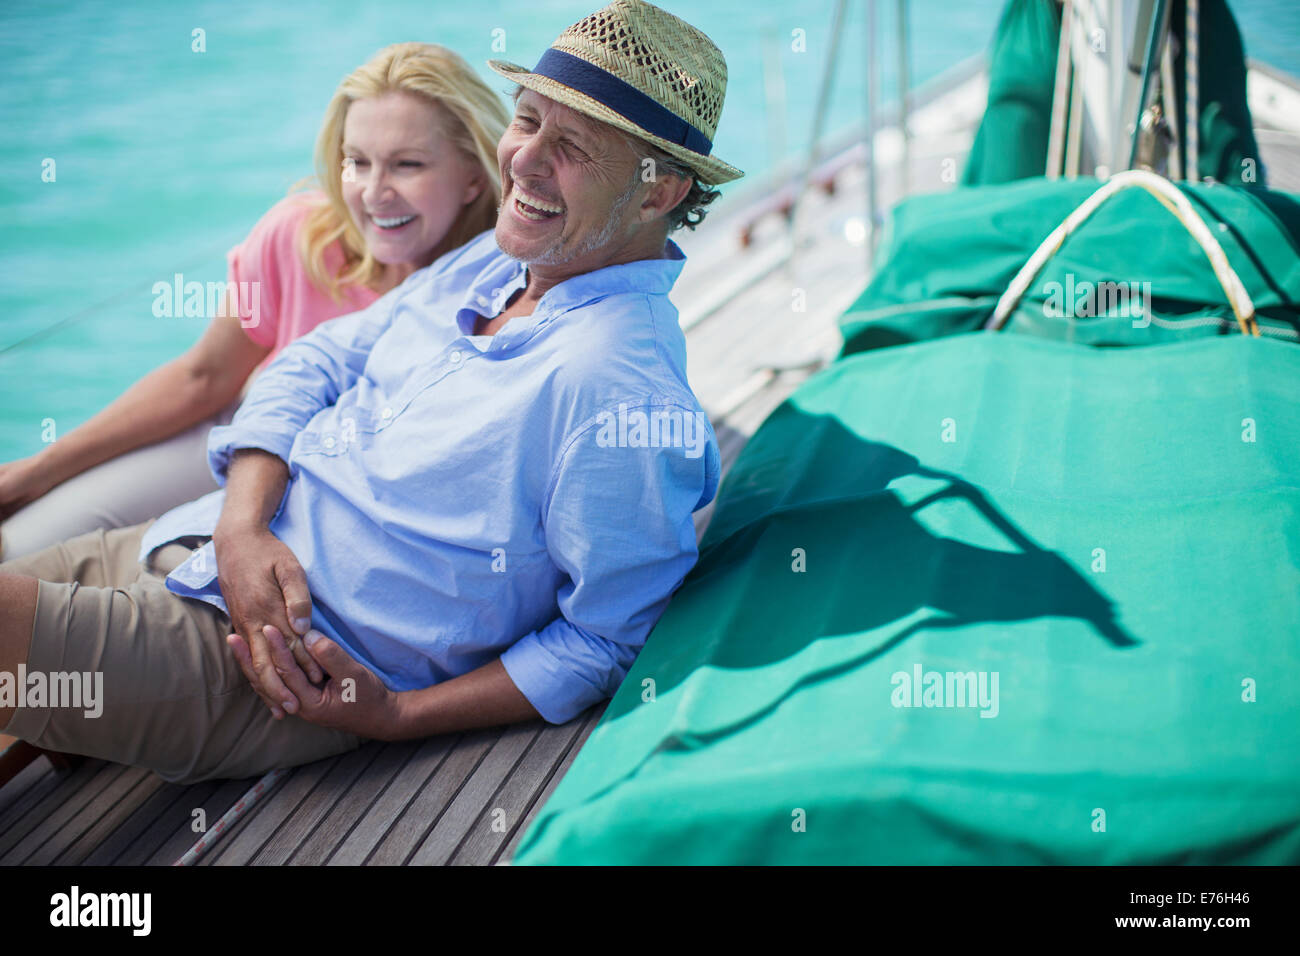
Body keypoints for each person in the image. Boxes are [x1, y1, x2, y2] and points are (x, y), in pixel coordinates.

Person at [0, 0, 743, 785]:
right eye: (527, 120)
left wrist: (396, 717)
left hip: (259, 663)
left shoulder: (618, 388)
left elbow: (605, 640)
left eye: (572, 147)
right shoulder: (497, 262)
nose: (524, 160)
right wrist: (242, 524)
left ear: (660, 193)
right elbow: (312, 359)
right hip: (195, 543)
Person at [0, 42, 509, 561]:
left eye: (407, 165)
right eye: (357, 162)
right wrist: (36, 471)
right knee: (19, 547)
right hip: (239, 444)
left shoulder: (509, 285)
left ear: (473, 175)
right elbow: (203, 378)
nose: (375, 193)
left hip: (344, 511)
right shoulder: (296, 235)